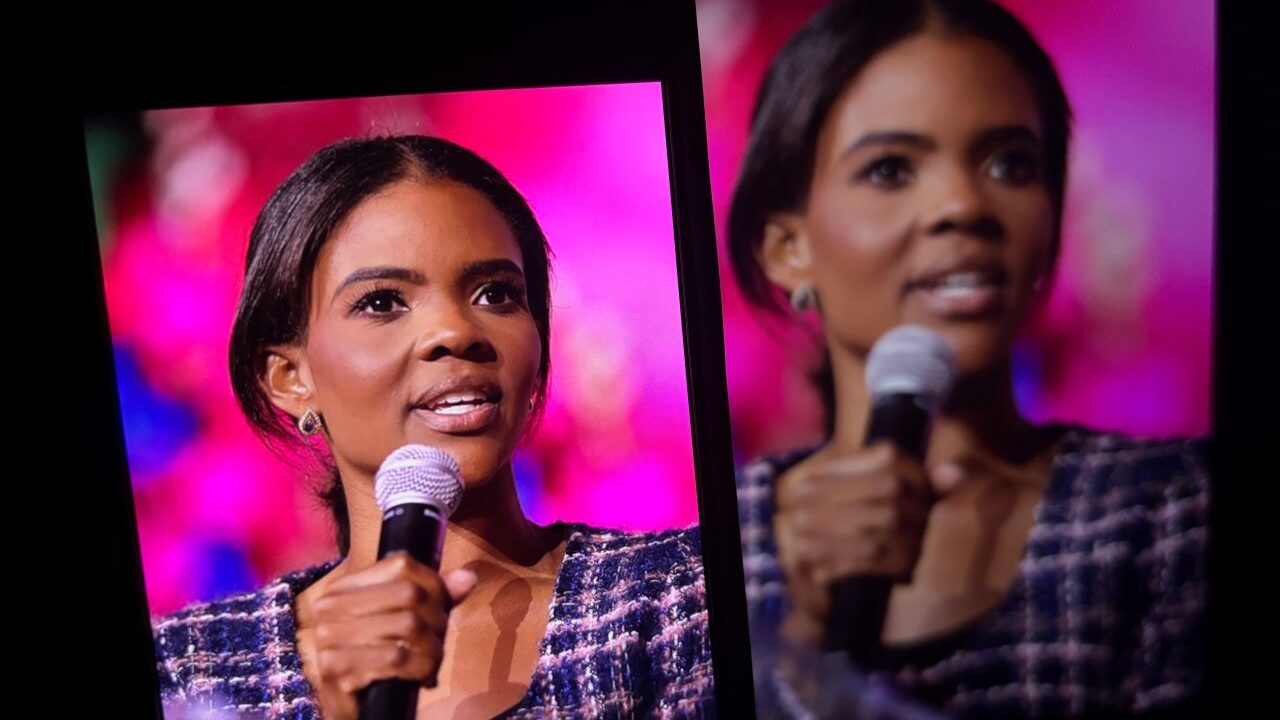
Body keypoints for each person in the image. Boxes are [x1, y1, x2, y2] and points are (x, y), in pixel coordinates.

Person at [727, 1, 1208, 717]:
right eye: (890, 169)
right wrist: (787, 640)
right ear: (787, 248)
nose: (962, 204)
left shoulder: (1169, 510)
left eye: (1011, 164)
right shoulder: (711, 554)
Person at [151, 135, 715, 719]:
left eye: (496, 294)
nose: (455, 330)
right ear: (292, 377)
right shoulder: (188, 669)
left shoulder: (681, 597)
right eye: (382, 302)